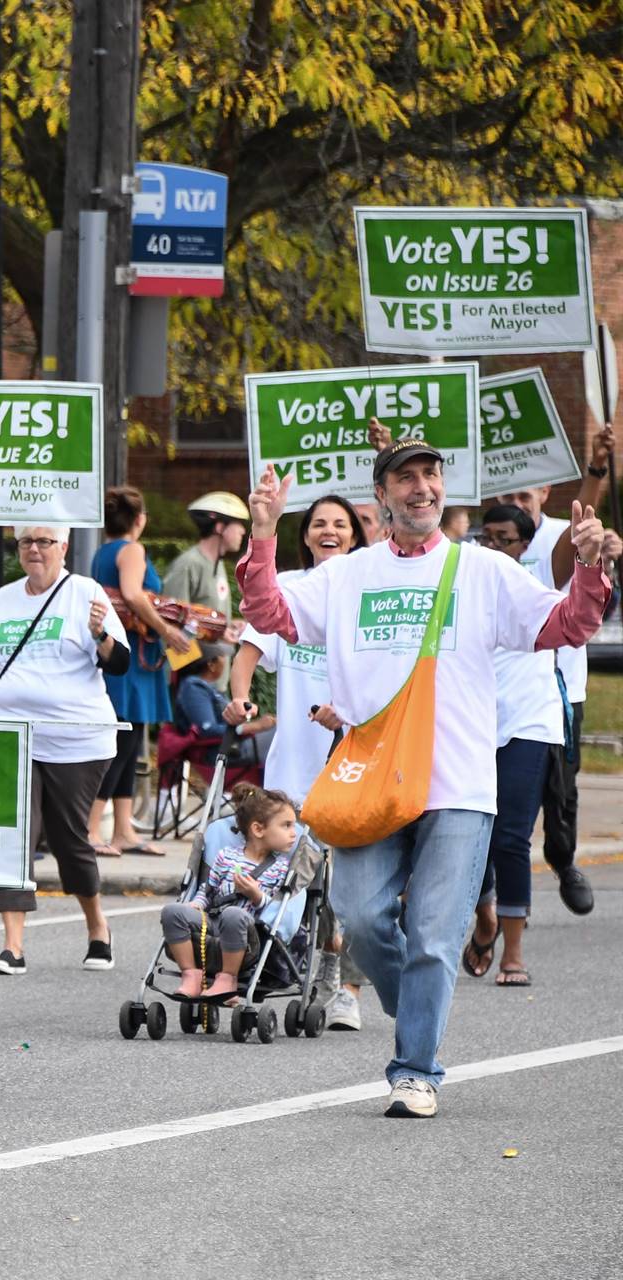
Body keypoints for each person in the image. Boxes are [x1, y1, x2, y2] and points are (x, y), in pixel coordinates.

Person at [238, 442, 609, 1118]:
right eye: (405, 477)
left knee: (435, 936)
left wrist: (586, 564)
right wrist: (263, 534)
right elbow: (271, 616)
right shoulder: (347, 575)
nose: (421, 488)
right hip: (371, 780)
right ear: (381, 495)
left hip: (459, 785)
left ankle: (415, 1070)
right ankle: (416, 999)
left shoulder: (483, 569)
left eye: (431, 475)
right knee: (359, 915)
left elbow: (568, 625)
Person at [0, 525, 128, 976]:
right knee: (15, 837)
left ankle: (97, 928)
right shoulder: (4, 599)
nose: (35, 550)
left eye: (45, 542)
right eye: (26, 542)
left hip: (76, 739)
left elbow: (120, 663)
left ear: (63, 547)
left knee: (69, 841)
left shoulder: (85, 593)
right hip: (15, 736)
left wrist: (100, 634)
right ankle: (13, 946)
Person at [226, 494, 368, 1031]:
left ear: (354, 535)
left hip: (352, 766)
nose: (329, 531)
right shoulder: (286, 591)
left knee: (351, 887)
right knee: (287, 879)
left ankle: (345, 985)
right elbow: (248, 656)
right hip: (291, 775)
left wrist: (349, 714)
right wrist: (240, 697)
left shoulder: (367, 593)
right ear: (305, 535)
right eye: (318, 524)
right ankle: (286, 964)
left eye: (340, 524)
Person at [492, 423, 616, 917]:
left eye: (526, 494)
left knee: (561, 785)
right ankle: (492, 901)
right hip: (501, 697)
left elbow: (578, 530)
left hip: (560, 690)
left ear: (545, 493)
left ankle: (563, 859)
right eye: (508, 495)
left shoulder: (547, 547)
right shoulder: (490, 551)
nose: (517, 502)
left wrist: (596, 470)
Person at [459, 505, 565, 990]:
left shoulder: (541, 579)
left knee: (511, 839)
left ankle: (514, 953)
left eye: (507, 539)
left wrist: (596, 473)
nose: (496, 546)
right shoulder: (465, 578)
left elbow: (568, 563)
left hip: (529, 722)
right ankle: (486, 919)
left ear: (526, 545)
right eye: (489, 536)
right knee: (470, 834)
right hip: (473, 721)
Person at [90, 486, 195, 857]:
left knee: (130, 741)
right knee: (120, 744)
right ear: (140, 520)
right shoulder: (132, 549)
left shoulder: (102, 552)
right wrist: (167, 630)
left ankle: (123, 829)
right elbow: (133, 594)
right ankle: (92, 829)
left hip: (128, 653)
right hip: (134, 656)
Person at [159, 785, 298, 1001]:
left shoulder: (281, 868)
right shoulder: (226, 856)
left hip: (250, 931)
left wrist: (256, 895)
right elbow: (208, 889)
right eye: (286, 826)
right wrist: (197, 903)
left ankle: (227, 978)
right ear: (258, 830)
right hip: (214, 921)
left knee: (234, 914)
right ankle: (191, 974)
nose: (293, 834)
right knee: (172, 912)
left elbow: (277, 908)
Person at [161, 491, 249, 619]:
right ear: (219, 528)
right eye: (237, 524)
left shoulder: (217, 562)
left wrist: (229, 627)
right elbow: (173, 620)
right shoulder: (187, 565)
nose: (243, 531)